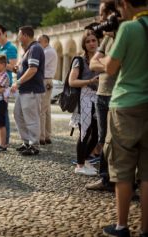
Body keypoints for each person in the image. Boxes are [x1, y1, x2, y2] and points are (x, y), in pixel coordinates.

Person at [102, 0, 148, 236]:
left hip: (126, 105)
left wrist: (102, 56)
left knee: (123, 168)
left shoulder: (129, 28)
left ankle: (122, 226)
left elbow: (110, 68)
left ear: (125, 3)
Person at [85, 0, 119, 192]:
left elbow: (115, 65)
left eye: (102, 14)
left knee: (119, 141)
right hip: (102, 93)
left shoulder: (123, 36)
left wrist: (104, 63)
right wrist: (110, 63)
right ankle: (106, 179)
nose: (100, 19)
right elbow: (92, 64)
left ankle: (124, 180)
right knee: (104, 138)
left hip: (117, 94)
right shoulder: (106, 39)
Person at [69, 30, 99, 176]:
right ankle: (80, 165)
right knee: (84, 133)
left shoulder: (102, 59)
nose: (91, 43)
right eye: (88, 41)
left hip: (99, 98)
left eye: (93, 40)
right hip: (84, 98)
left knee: (98, 134)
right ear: (84, 44)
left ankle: (85, 159)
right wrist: (90, 81)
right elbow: (71, 81)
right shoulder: (79, 60)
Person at [11, 26, 45, 156]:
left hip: (31, 90)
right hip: (24, 90)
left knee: (31, 118)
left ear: (25, 36)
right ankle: (26, 141)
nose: (18, 38)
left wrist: (18, 82)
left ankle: (34, 145)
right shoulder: (28, 50)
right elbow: (26, 69)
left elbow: (32, 69)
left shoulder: (35, 48)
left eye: (19, 35)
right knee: (18, 115)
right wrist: (17, 70)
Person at [0, 24, 17, 146]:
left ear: (5, 34)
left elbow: (13, 67)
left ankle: (5, 141)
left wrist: (0, 63)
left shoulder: (11, 48)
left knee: (3, 114)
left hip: (6, 83)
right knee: (0, 115)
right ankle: (2, 140)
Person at [37, 34, 58, 145]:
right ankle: (47, 135)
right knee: (46, 110)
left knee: (42, 110)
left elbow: (39, 65)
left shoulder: (47, 52)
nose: (37, 43)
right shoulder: (49, 51)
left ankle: (41, 136)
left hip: (45, 81)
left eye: (39, 41)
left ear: (45, 41)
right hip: (47, 81)